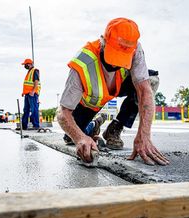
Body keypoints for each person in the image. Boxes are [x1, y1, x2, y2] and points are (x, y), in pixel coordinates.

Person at [57, 18, 169, 166]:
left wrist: (144, 135)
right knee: (71, 139)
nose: (116, 64)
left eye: (121, 59)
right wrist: (80, 137)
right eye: (113, 56)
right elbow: (63, 113)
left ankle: (115, 128)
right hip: (90, 102)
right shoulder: (82, 63)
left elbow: (144, 92)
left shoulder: (135, 50)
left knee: (152, 80)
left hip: (118, 86)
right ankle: (93, 125)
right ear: (103, 41)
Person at [21, 58, 41, 130]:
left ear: (29, 64)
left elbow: (36, 81)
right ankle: (24, 126)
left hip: (32, 94)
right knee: (26, 110)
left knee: (34, 110)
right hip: (27, 94)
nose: (24, 66)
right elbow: (27, 84)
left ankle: (36, 125)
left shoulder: (35, 70)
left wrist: (33, 91)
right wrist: (24, 92)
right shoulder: (29, 71)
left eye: (25, 64)